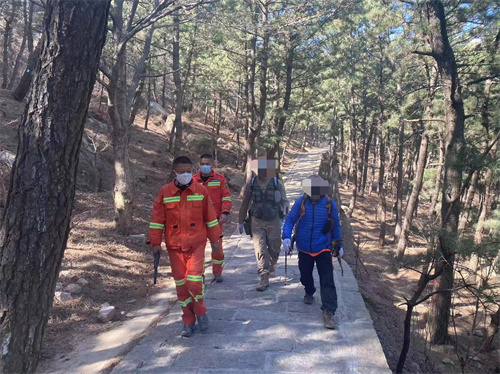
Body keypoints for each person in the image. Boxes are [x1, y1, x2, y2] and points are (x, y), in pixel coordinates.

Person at [149, 156, 222, 337]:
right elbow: (157, 220)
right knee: (181, 286)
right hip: (175, 247)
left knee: (194, 282)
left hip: (196, 245)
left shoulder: (201, 191)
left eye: (188, 171)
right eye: (182, 172)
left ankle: (201, 311)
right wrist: (155, 243)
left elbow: (211, 219)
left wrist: (215, 243)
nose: (186, 174)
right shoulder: (165, 192)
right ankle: (188, 322)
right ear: (174, 173)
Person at [281, 175, 343, 329]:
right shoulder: (301, 202)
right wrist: (286, 237)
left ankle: (329, 311)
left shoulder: (329, 204)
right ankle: (309, 291)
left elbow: (335, 225)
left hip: (323, 247)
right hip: (304, 247)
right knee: (305, 275)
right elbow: (289, 220)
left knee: (327, 280)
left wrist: (339, 243)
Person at [238, 157, 289, 291]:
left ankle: (272, 261)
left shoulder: (277, 183)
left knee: (274, 246)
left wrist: (285, 211)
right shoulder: (252, 183)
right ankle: (264, 276)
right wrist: (240, 220)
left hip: (273, 218)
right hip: (257, 219)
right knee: (260, 248)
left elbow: (285, 201)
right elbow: (245, 202)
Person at [194, 154, 232, 282]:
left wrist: (225, 212)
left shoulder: (220, 179)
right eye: (202, 163)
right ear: (199, 165)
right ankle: (200, 274)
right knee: (198, 249)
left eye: (207, 164)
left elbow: (226, 197)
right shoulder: (193, 180)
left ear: (213, 165)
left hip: (215, 221)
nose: (205, 166)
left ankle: (217, 272)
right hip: (198, 221)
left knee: (217, 248)